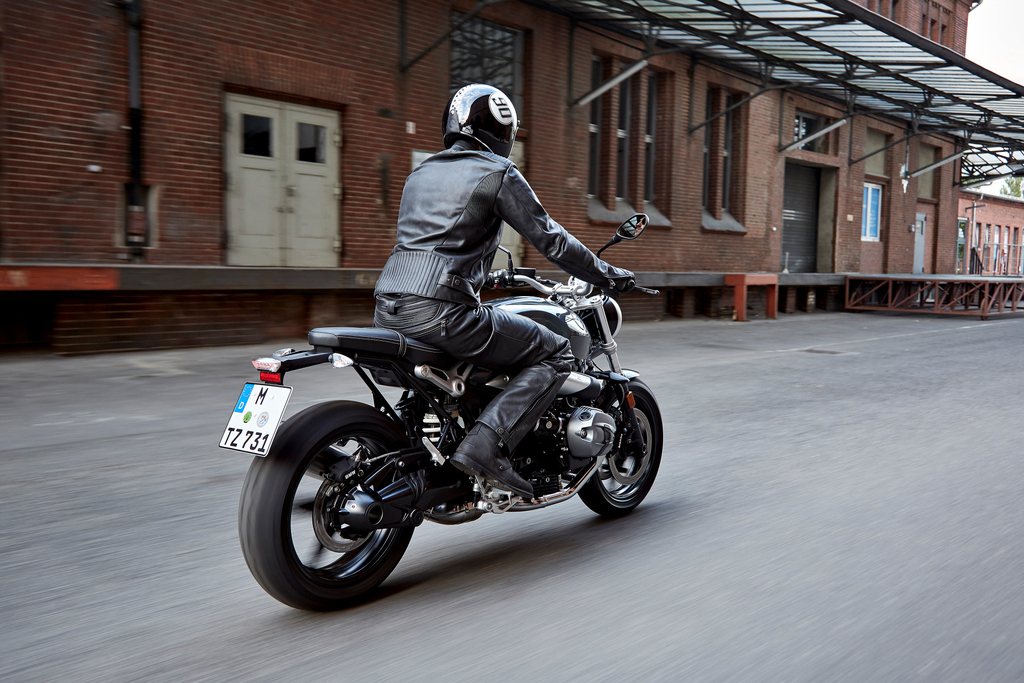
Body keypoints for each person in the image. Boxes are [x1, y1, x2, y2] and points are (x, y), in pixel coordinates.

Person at [374, 83, 635, 499]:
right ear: (503, 130)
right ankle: (487, 445)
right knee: (556, 351)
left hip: (388, 307)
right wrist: (606, 274)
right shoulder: (497, 171)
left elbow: (438, 242)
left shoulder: (420, 173)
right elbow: (552, 241)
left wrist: (483, 276)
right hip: (444, 313)